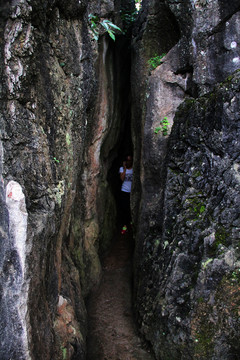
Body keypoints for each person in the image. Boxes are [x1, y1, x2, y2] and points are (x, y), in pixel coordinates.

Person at [119, 155, 133, 235]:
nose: (128, 162)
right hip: (124, 191)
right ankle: (125, 226)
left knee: (130, 208)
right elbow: (122, 179)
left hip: (132, 192)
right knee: (124, 209)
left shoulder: (134, 169)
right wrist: (124, 168)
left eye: (130, 160)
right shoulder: (122, 169)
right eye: (127, 160)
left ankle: (131, 224)